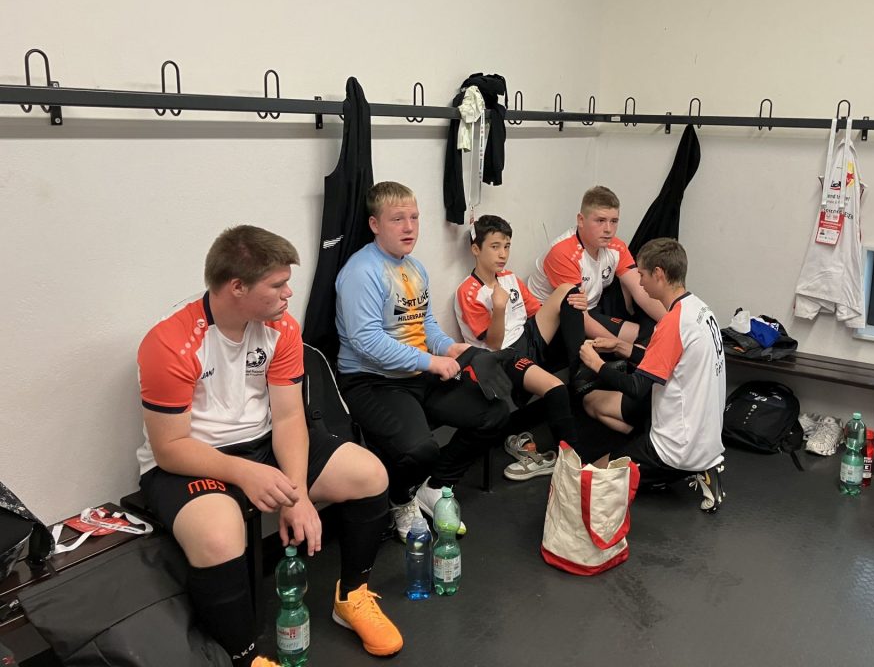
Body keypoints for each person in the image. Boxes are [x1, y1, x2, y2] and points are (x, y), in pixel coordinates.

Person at [136, 226, 402, 664]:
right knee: (219, 537)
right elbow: (170, 446)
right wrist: (246, 473)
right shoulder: (169, 342)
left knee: (368, 473)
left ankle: (352, 596)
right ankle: (244, 658)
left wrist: (296, 493)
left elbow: (289, 416)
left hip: (263, 443)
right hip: (192, 458)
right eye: (277, 285)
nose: (288, 293)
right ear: (237, 287)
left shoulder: (282, 328)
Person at [335, 182, 509, 540]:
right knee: (419, 450)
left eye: (414, 218)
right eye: (397, 219)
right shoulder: (361, 272)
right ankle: (401, 500)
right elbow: (366, 341)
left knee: (495, 412)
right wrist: (431, 362)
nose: (409, 227)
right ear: (374, 224)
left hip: (416, 372)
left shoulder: (414, 268)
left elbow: (424, 323)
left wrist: (448, 348)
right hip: (373, 381)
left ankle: (435, 486)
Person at [577, 238, 727, 511]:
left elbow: (637, 387)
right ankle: (700, 465)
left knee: (589, 477)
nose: (640, 282)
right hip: (704, 436)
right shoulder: (699, 309)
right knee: (594, 403)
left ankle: (674, 470)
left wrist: (596, 364)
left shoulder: (672, 324)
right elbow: (668, 361)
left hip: (675, 449)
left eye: (643, 274)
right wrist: (620, 347)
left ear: (658, 274)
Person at [453, 215, 590, 479]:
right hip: (502, 357)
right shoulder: (468, 291)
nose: (502, 254)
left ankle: (580, 370)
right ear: (476, 249)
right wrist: (499, 308)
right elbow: (493, 343)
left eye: (506, 246)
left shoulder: (509, 278)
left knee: (567, 290)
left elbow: (537, 311)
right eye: (495, 246)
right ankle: (573, 464)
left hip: (527, 338)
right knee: (556, 388)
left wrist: (573, 306)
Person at [527, 185, 668, 347]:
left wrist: (675, 323)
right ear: (581, 220)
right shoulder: (563, 253)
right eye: (600, 221)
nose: (608, 229)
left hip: (591, 307)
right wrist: (620, 346)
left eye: (613, 221)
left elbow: (640, 289)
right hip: (554, 318)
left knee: (656, 330)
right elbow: (579, 316)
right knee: (642, 340)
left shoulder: (616, 246)